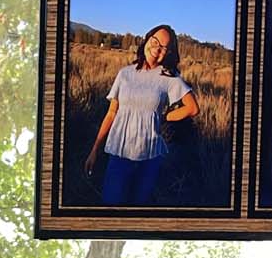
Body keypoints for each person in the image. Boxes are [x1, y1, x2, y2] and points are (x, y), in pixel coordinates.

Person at [84, 24, 198, 205]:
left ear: (168, 53)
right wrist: (94, 150)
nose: (157, 49)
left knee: (137, 210)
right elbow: (111, 113)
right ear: (147, 39)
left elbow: (192, 108)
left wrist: (165, 117)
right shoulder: (124, 74)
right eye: (155, 41)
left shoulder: (169, 77)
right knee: (111, 206)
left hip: (149, 158)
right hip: (119, 154)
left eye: (164, 48)